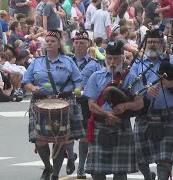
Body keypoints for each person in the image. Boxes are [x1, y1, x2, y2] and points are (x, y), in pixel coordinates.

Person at [22, 29, 85, 180]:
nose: (49, 43)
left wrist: (77, 90)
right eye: (47, 41)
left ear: (59, 45)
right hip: (40, 102)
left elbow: (79, 81)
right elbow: (26, 81)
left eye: (52, 41)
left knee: (60, 139)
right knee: (39, 139)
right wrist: (32, 88)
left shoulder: (68, 61)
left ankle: (55, 174)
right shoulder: (36, 62)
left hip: (64, 102)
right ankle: (47, 167)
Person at [130, 29, 173, 180]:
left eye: (155, 42)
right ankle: (148, 176)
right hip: (144, 117)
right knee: (140, 159)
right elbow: (130, 86)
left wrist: (169, 83)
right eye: (149, 42)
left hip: (167, 117)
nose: (152, 45)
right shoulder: (137, 64)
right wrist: (144, 90)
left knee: (164, 161)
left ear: (162, 44)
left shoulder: (172, 61)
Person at [83, 40, 144, 180]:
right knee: (96, 171)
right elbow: (91, 104)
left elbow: (140, 103)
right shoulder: (96, 77)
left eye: (116, 58)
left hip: (121, 126)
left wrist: (125, 106)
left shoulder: (131, 77)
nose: (112, 62)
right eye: (109, 58)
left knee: (120, 172)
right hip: (100, 124)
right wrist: (107, 114)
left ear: (122, 59)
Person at [66, 30, 101, 179]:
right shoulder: (66, 61)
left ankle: (81, 167)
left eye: (82, 43)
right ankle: (71, 158)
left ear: (88, 45)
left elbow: (100, 82)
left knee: (85, 135)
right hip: (68, 100)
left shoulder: (94, 64)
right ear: (73, 45)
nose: (79, 45)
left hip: (85, 101)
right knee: (65, 134)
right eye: (76, 43)